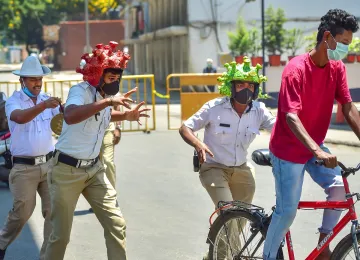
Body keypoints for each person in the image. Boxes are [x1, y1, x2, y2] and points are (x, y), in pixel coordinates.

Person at [263, 9, 360, 260]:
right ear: (327, 37)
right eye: (344, 43)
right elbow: (290, 117)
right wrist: (317, 151)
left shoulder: (336, 68)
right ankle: (268, 257)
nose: (346, 51)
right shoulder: (295, 70)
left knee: (339, 189)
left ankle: (323, 247)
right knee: (287, 212)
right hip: (288, 151)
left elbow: (348, 106)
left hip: (313, 146)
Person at [44, 41, 150, 260]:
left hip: (94, 170)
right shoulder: (79, 91)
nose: (116, 82)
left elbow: (103, 116)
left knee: (116, 224)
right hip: (66, 171)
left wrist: (126, 116)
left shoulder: (104, 99)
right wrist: (109, 101)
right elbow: (71, 116)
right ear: (98, 76)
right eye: (111, 78)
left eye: (118, 78)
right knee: (60, 236)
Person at [179, 57, 275, 259]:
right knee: (229, 213)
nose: (245, 89)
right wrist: (198, 144)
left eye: (250, 85)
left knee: (239, 221)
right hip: (214, 169)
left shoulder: (259, 110)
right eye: (240, 84)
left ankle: (214, 255)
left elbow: (280, 129)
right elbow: (185, 127)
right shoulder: (214, 107)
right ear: (231, 87)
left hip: (242, 170)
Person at [0, 56, 62, 260]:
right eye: (33, 79)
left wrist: (64, 108)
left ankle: (48, 256)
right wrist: (44, 106)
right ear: (22, 80)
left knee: (53, 212)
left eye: (40, 79)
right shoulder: (14, 101)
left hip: (49, 164)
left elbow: (63, 121)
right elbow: (19, 117)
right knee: (22, 213)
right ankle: (1, 244)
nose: (37, 83)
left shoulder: (47, 98)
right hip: (24, 168)